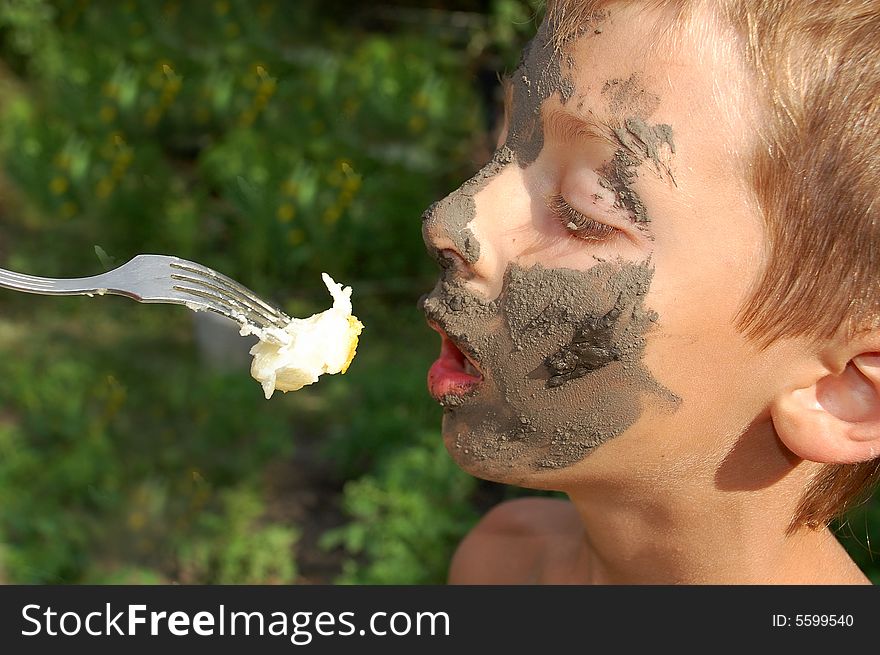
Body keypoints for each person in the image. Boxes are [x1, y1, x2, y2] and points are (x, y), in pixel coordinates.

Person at [419, 0, 880, 584]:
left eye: (585, 210)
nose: (451, 218)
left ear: (845, 393)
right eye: (509, 143)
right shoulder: (500, 560)